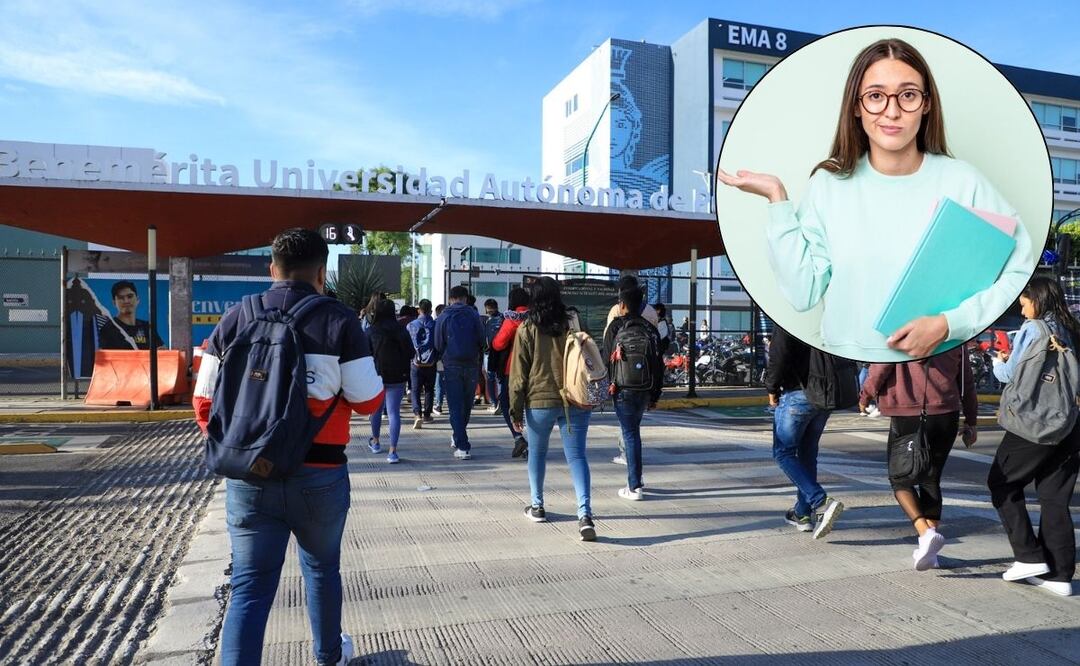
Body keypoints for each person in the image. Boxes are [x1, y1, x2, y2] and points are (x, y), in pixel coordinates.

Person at [717, 38, 1033, 361]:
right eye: (876, 96)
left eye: (908, 95)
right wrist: (778, 200)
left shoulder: (963, 181)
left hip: (929, 371)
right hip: (843, 371)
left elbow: (1020, 270)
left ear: (926, 104)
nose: (892, 112)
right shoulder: (828, 185)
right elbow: (803, 294)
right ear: (856, 106)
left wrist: (950, 324)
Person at [193, 228, 384, 665]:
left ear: (272, 269)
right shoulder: (340, 322)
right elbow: (369, 400)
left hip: (250, 476)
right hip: (320, 475)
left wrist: (250, 446)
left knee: (250, 586)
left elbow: (204, 405)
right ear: (322, 272)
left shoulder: (236, 318)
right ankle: (328, 656)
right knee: (321, 570)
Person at [987, 276, 1080, 597]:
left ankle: (1027, 556)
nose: (1022, 309)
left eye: (1024, 302)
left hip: (1033, 422)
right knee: (1055, 497)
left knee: (1001, 483)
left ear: (1037, 299)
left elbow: (1012, 374)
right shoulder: (1072, 328)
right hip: (1069, 424)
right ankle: (1060, 575)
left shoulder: (1035, 329)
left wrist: (997, 362)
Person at [859, 349, 977, 569]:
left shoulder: (901, 331)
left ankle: (924, 532)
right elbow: (966, 379)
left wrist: (865, 394)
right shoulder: (952, 333)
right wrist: (971, 419)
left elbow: (882, 366)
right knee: (931, 479)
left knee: (899, 479)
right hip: (946, 412)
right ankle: (929, 550)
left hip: (909, 413)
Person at [510, 276, 597, 541]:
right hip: (575, 398)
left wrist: (514, 410)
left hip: (540, 401)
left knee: (537, 454)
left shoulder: (526, 328)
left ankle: (537, 506)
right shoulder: (573, 322)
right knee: (577, 457)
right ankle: (584, 515)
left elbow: (518, 375)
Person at [765, 326, 845, 539]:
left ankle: (821, 502)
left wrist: (771, 388)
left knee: (783, 452)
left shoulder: (788, 317)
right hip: (825, 394)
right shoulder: (823, 318)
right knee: (807, 454)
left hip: (798, 392)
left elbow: (778, 354)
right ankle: (802, 514)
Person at [604, 283, 664, 500]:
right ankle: (635, 481)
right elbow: (659, 365)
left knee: (630, 434)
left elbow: (606, 361)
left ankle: (635, 486)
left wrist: (608, 389)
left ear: (622, 305)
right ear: (641, 305)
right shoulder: (652, 330)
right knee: (633, 432)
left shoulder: (615, 327)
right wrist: (655, 395)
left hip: (622, 389)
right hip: (645, 389)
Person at [434, 286, 485, 460]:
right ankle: (459, 437)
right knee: (466, 405)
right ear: (464, 298)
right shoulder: (473, 315)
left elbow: (438, 343)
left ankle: (462, 445)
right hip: (471, 364)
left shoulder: (443, 316)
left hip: (451, 364)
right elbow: (482, 339)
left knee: (455, 406)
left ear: (450, 298)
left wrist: (443, 356)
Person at [367, 299, 414, 464]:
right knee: (394, 412)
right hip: (398, 376)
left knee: (376, 410)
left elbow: (365, 354)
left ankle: (376, 442)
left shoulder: (371, 330)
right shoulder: (401, 330)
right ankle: (393, 451)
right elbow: (411, 352)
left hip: (376, 376)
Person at [492, 287, 531, 458]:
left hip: (512, 369)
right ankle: (532, 443)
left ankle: (518, 437)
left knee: (508, 405)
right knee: (530, 406)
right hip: (534, 369)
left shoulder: (511, 320)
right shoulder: (536, 319)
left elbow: (498, 344)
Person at [97, 280, 164, 350]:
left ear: (137, 299)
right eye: (121, 298)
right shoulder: (108, 329)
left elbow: (163, 352)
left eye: (130, 296)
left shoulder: (147, 327)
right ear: (114, 302)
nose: (126, 301)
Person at [407, 299, 437, 429]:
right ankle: (427, 415)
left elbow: (408, 344)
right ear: (431, 310)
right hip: (431, 362)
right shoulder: (435, 325)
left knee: (415, 390)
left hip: (416, 363)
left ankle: (417, 414)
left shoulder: (411, 325)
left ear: (419, 309)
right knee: (429, 389)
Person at [483, 298, 504, 412]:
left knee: (490, 378)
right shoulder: (503, 319)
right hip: (500, 352)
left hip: (489, 353)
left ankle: (494, 402)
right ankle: (499, 402)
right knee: (498, 378)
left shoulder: (487, 321)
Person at [432, 303, 447, 415]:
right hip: (451, 356)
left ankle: (439, 404)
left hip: (439, 357)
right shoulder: (451, 322)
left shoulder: (436, 323)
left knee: (439, 381)